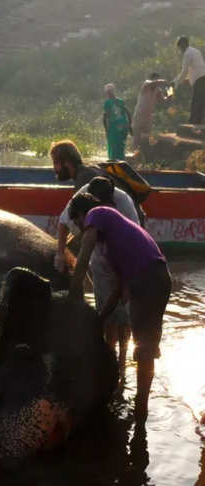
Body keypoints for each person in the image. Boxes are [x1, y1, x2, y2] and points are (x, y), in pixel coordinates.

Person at [67, 193, 171, 423]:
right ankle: (140, 409)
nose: (78, 229)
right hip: (153, 280)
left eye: (76, 223)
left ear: (83, 215)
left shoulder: (98, 214)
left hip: (149, 280)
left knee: (144, 348)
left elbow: (82, 261)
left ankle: (140, 412)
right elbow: (118, 292)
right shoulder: (115, 238)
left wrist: (72, 298)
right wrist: (99, 318)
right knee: (146, 344)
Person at [55, 177, 138, 367]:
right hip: (100, 258)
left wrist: (125, 284)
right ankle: (109, 354)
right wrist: (60, 254)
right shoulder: (82, 198)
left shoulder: (124, 201)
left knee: (124, 314)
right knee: (106, 313)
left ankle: (122, 360)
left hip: (125, 256)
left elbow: (134, 241)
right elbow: (63, 222)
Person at [172, 36, 205, 125]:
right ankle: (199, 123)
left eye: (179, 47)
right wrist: (184, 80)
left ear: (183, 44)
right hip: (202, 78)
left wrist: (175, 82)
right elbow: (194, 69)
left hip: (199, 80)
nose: (180, 50)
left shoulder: (187, 53)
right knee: (200, 102)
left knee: (196, 103)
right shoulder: (195, 51)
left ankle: (193, 124)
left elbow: (184, 71)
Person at [133, 73, 169, 151]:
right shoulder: (146, 84)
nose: (156, 83)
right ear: (151, 79)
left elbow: (163, 100)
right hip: (139, 114)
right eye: (155, 80)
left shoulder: (158, 90)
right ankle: (134, 154)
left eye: (157, 80)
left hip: (149, 116)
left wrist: (168, 97)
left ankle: (142, 154)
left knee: (146, 136)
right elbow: (152, 83)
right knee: (137, 136)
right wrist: (161, 81)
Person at [102, 83, 132, 160]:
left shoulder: (107, 103)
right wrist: (130, 125)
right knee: (121, 145)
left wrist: (106, 130)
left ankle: (114, 162)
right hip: (123, 125)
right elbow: (128, 113)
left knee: (113, 145)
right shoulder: (120, 101)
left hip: (115, 127)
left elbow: (105, 117)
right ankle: (121, 160)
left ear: (107, 93)